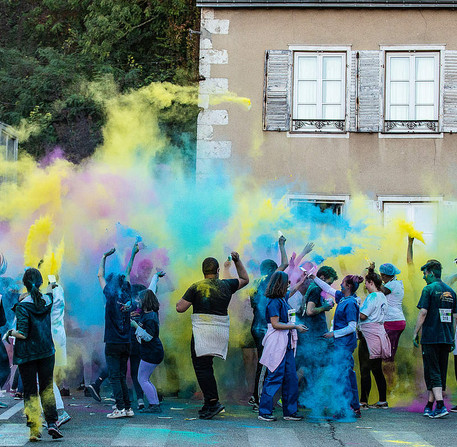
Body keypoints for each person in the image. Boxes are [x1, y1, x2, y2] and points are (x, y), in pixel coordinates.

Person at [176, 252, 249, 419]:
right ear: (217, 270)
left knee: (202, 368)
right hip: (220, 331)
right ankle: (209, 403)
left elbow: (180, 308)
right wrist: (237, 261)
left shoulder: (196, 287)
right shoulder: (226, 285)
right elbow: (245, 279)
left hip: (202, 332)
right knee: (206, 367)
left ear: (203, 271)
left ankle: (213, 401)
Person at [4, 268, 63, 441]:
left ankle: (35, 429)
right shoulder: (47, 301)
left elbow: (22, 333)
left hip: (28, 355)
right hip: (46, 352)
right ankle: (52, 423)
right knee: (47, 389)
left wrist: (9, 333)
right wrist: (52, 281)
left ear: (25, 284)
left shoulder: (23, 306)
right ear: (40, 283)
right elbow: (52, 291)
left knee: (30, 391)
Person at [258, 271, 307, 421]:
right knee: (274, 376)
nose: (289, 284)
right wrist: (295, 327)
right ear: (281, 284)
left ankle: (290, 411)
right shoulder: (274, 302)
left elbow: (291, 292)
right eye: (287, 282)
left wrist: (303, 280)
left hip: (286, 345)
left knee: (291, 377)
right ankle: (264, 411)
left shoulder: (282, 299)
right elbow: (275, 324)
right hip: (277, 343)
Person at [97, 242, 139, 419]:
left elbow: (99, 274)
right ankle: (128, 408)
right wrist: (133, 254)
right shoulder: (127, 292)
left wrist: (104, 257)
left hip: (113, 342)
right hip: (126, 342)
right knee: (122, 374)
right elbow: (128, 272)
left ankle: (120, 408)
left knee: (115, 376)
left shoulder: (110, 294)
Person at [315, 273, 363, 419]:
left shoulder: (350, 304)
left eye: (343, 283)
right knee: (346, 375)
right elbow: (328, 288)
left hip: (344, 346)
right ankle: (352, 407)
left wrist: (333, 334)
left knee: (343, 377)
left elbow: (351, 327)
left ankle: (346, 408)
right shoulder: (343, 298)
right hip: (341, 345)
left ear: (348, 286)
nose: (340, 285)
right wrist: (312, 277)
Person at [413, 260, 457, 418]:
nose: (424, 277)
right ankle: (429, 405)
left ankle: (440, 405)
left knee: (432, 371)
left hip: (431, 337)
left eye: (425, 274)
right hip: (446, 338)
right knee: (439, 370)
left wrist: (415, 332)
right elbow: (454, 318)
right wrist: (451, 338)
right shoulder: (451, 292)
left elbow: (423, 312)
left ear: (431, 273)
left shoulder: (428, 289)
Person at [249, 235, 288, 410]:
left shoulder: (256, 283)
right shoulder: (270, 281)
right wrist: (281, 245)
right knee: (265, 363)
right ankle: (257, 398)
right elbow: (285, 264)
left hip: (259, 327)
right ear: (272, 271)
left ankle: (263, 396)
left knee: (266, 362)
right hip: (264, 328)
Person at [296, 265, 337, 410]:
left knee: (309, 366)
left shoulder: (314, 288)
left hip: (312, 335)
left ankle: (299, 398)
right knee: (307, 366)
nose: (329, 286)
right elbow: (310, 311)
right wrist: (324, 308)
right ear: (323, 278)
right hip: (313, 336)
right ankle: (291, 396)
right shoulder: (315, 289)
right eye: (329, 282)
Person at [358, 265, 391, 409]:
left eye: (366, 282)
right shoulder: (382, 296)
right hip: (378, 334)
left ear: (371, 283)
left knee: (365, 369)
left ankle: (363, 401)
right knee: (377, 369)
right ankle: (382, 400)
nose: (365, 285)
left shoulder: (372, 297)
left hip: (368, 335)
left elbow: (363, 315)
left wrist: (354, 308)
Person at [131, 289, 164, 413]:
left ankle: (154, 405)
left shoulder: (150, 317)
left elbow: (148, 337)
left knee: (142, 379)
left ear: (144, 301)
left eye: (139, 299)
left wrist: (135, 326)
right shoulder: (149, 313)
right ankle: (154, 404)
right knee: (145, 379)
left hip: (151, 352)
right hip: (152, 351)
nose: (136, 301)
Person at [378, 263, 406, 388]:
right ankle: (391, 385)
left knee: (387, 357)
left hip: (392, 322)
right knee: (388, 356)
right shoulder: (396, 283)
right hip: (395, 321)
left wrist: (372, 279)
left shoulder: (392, 285)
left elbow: (380, 291)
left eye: (381, 275)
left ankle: (391, 386)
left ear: (384, 275)